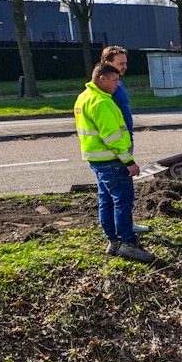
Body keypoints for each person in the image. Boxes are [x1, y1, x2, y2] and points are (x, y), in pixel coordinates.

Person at [74, 61, 154, 263]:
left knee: (106, 200)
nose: (118, 84)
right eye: (115, 80)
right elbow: (112, 137)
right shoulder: (102, 103)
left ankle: (113, 241)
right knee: (123, 202)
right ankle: (128, 243)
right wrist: (129, 161)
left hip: (97, 160)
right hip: (112, 161)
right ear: (102, 79)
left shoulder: (84, 98)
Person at [100, 46, 150, 236]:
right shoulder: (106, 88)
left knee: (110, 194)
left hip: (123, 141)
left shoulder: (118, 84)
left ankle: (120, 228)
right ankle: (123, 233)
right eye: (121, 63)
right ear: (107, 64)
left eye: (125, 63)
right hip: (116, 146)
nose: (125, 67)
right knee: (119, 194)